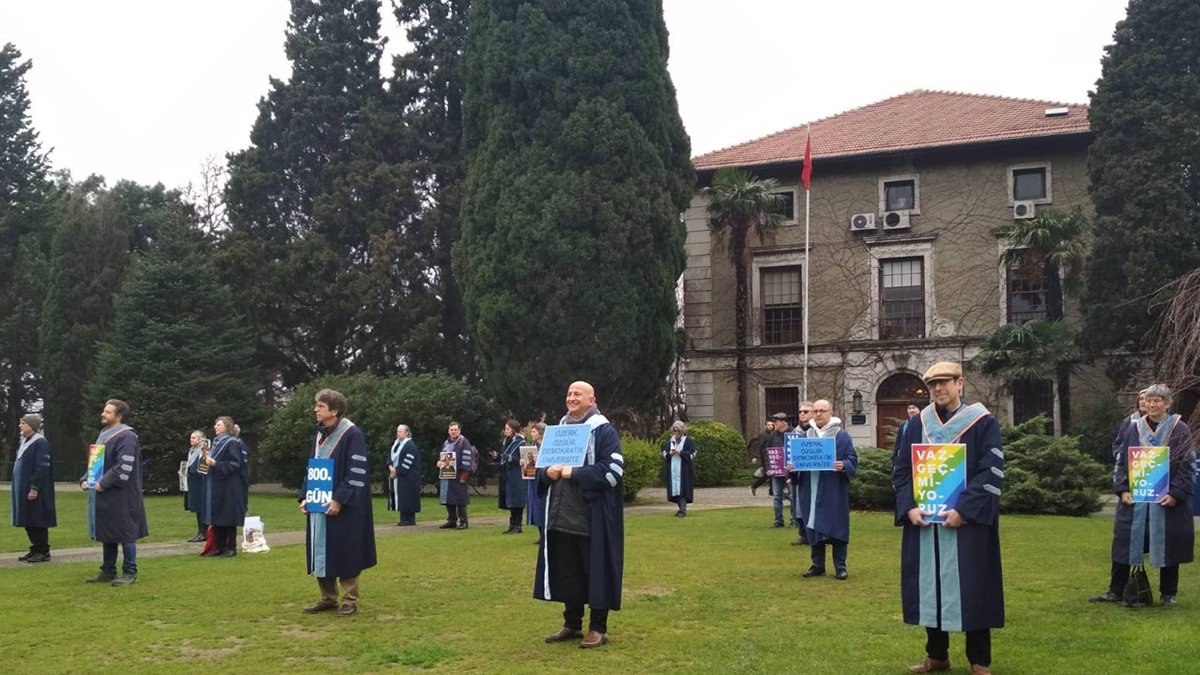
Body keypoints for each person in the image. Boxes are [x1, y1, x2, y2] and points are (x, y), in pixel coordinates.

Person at [893, 362, 1003, 675]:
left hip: (967, 523)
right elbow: (902, 470)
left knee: (974, 585)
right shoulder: (916, 424)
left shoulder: (982, 422)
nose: (938, 389)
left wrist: (965, 509)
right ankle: (937, 656)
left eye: (944, 383)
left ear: (960, 383)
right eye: (933, 385)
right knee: (930, 586)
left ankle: (979, 661)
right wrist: (909, 506)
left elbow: (990, 470)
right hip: (926, 521)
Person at [536, 381, 624, 649]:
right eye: (569, 394)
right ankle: (572, 623)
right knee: (568, 572)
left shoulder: (603, 431)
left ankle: (598, 628)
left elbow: (613, 473)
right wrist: (545, 473)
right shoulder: (558, 431)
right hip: (560, 516)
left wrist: (575, 473)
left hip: (590, 517)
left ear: (591, 399)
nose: (571, 398)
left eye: (577, 394)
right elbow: (543, 468)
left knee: (595, 572)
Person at [1090, 383, 1195, 608]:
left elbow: (1187, 466)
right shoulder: (1133, 428)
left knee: (1169, 544)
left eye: (1157, 400)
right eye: (1148, 400)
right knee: (1125, 542)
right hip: (1136, 499)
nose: (1151, 404)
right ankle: (1115, 590)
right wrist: (1122, 489)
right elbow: (1121, 462)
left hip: (1166, 500)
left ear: (1167, 404)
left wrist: (1176, 494)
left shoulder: (1180, 429)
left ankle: (1168, 593)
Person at [299, 388, 377, 616]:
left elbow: (356, 471)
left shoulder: (352, 434)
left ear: (334, 410)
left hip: (344, 506)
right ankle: (327, 597)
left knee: (346, 550)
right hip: (318, 504)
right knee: (321, 551)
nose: (316, 409)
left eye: (321, 406)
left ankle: (350, 599)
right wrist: (305, 496)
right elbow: (311, 468)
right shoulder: (318, 434)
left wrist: (340, 499)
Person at [81, 399, 148, 586]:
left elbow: (123, 466)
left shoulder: (126, 436)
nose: (103, 414)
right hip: (106, 493)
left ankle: (130, 572)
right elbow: (97, 463)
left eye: (108, 412)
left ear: (119, 417)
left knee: (126, 533)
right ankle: (108, 570)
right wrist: (87, 479)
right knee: (108, 532)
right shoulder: (104, 434)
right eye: (104, 410)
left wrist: (104, 482)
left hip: (123, 495)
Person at [795, 400, 857, 579]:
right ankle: (817, 565)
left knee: (836, 525)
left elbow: (852, 459)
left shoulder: (841, 436)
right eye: (816, 411)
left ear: (831, 412)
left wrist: (844, 464)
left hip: (833, 489)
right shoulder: (806, 436)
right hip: (811, 488)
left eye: (823, 410)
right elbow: (796, 463)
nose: (819, 414)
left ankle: (840, 566)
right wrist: (792, 467)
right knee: (813, 525)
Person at [202, 417, 250, 557]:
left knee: (228, 516)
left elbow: (236, 464)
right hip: (217, 484)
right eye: (215, 424)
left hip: (230, 486)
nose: (215, 427)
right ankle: (219, 546)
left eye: (218, 424)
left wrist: (216, 464)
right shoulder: (217, 443)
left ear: (227, 426)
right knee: (217, 516)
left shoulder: (233, 442)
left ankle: (231, 547)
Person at [13, 413, 56, 563]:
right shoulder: (25, 441)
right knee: (28, 518)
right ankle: (35, 548)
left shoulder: (40, 443)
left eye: (23, 423)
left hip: (37, 489)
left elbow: (42, 467)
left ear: (32, 426)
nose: (20, 426)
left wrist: (34, 487)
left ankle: (43, 550)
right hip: (24, 488)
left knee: (38, 519)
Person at [438, 421, 475, 530]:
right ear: (448, 431)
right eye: (451, 430)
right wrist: (439, 463)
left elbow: (467, 459)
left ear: (459, 430)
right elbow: (442, 457)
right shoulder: (445, 443)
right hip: (446, 475)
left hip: (459, 475)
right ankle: (452, 520)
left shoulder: (463, 442)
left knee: (460, 499)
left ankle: (463, 521)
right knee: (448, 498)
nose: (453, 432)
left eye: (455, 430)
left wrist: (464, 475)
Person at [494, 419, 528, 534]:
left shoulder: (521, 442)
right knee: (510, 499)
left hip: (516, 475)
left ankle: (518, 525)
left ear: (514, 429)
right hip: (507, 474)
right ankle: (512, 524)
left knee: (517, 499)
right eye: (505, 429)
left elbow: (524, 460)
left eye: (508, 429)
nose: (506, 431)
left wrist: (511, 458)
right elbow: (504, 457)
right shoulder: (506, 441)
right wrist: (497, 455)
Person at [788, 402, 815, 544]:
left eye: (806, 411)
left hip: (815, 475)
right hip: (799, 475)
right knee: (798, 505)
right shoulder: (794, 434)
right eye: (800, 412)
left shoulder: (818, 432)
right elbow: (789, 454)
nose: (802, 414)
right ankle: (803, 534)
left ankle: (817, 534)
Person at [386, 424, 421, 526]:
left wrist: (396, 471)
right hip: (398, 476)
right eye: (397, 431)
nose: (398, 433)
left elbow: (407, 461)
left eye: (400, 431)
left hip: (409, 476)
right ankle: (403, 518)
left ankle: (410, 519)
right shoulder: (395, 445)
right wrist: (390, 467)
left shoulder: (410, 445)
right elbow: (390, 457)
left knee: (408, 497)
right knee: (401, 497)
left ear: (407, 433)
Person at [662, 421, 697, 517]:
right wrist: (670, 453)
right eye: (674, 431)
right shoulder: (670, 441)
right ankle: (680, 509)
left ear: (682, 431)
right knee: (675, 491)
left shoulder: (688, 441)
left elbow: (692, 453)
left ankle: (683, 510)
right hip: (673, 470)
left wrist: (681, 452)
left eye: (678, 431)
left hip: (684, 470)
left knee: (683, 490)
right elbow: (664, 454)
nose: (676, 433)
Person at [765, 412, 790, 527]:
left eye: (776, 422)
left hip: (790, 472)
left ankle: (794, 520)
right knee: (777, 496)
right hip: (776, 471)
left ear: (783, 422)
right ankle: (778, 520)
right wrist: (768, 468)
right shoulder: (772, 435)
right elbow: (767, 452)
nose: (773, 424)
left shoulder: (793, 433)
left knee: (793, 496)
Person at [183, 430, 209, 542]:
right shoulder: (192, 450)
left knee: (201, 507)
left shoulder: (203, 450)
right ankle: (201, 531)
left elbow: (203, 468)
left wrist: (192, 471)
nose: (191, 439)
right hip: (192, 482)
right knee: (197, 508)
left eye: (194, 437)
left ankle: (204, 532)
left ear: (200, 439)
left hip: (200, 483)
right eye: (191, 437)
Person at [526, 422, 547, 546]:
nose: (531, 434)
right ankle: (540, 534)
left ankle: (546, 534)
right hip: (532, 480)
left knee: (542, 505)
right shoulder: (532, 446)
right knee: (535, 506)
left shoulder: (546, 447)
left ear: (541, 433)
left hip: (543, 479)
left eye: (534, 431)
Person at [748, 418, 773, 495]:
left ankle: (771, 491)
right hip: (765, 458)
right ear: (765, 426)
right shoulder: (763, 435)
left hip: (772, 456)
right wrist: (755, 457)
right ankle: (754, 486)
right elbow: (759, 446)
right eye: (768, 425)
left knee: (771, 474)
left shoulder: (773, 434)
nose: (770, 426)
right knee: (767, 474)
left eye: (772, 425)